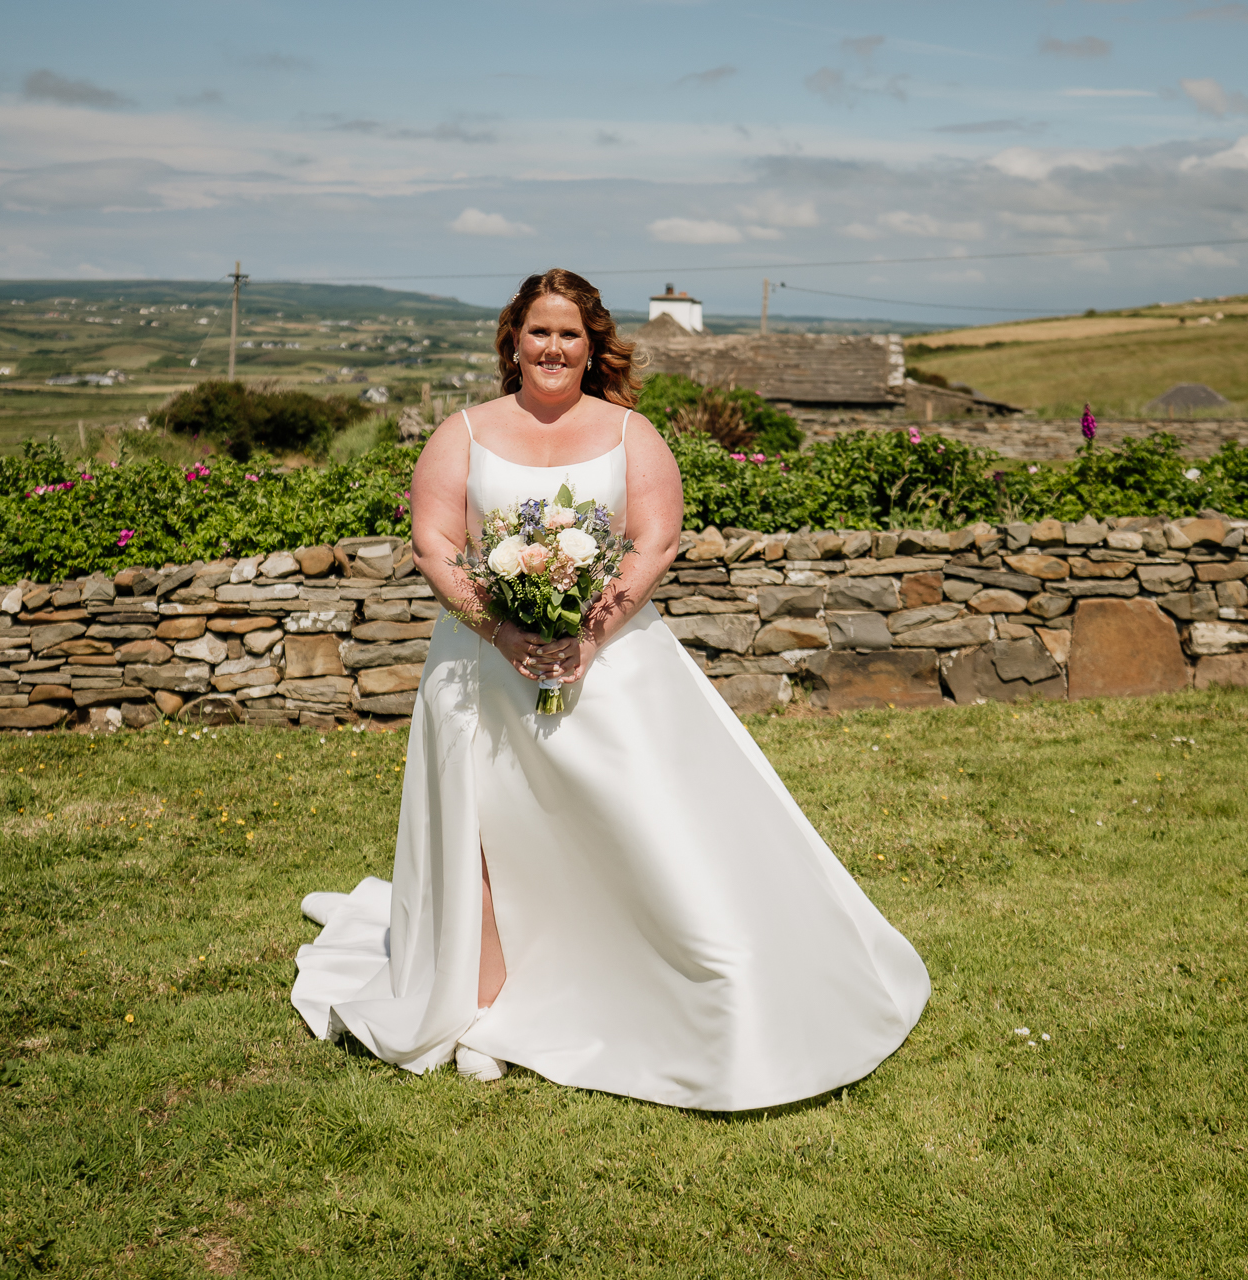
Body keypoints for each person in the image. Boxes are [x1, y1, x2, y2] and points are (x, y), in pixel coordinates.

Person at [291, 269, 929, 1112]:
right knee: (481, 829)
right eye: (538, 332)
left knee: (640, 830)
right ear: (512, 341)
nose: (553, 348)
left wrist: (587, 634)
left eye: (570, 334)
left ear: (593, 347)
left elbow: (654, 542)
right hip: (481, 669)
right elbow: (438, 544)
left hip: (613, 663)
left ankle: (666, 984)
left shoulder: (631, 432)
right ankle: (482, 1006)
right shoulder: (464, 432)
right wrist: (505, 628)